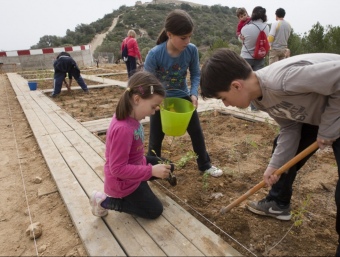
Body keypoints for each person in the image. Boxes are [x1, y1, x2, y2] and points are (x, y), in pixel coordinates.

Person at [199, 48, 340, 256]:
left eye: (223, 98)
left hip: (335, 108)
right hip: (319, 114)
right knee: (281, 149)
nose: (226, 104)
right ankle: (278, 203)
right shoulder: (259, 98)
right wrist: (275, 166)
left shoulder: (284, 80)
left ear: (236, 86)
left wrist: (328, 127)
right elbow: (291, 127)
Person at [143, 9, 223, 177]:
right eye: (183, 37)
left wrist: (193, 93)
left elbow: (195, 74)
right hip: (160, 102)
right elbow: (147, 81)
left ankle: (205, 165)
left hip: (183, 97)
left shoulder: (191, 50)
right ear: (170, 34)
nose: (187, 41)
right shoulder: (155, 54)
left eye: (190, 36)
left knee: (196, 132)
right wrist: (152, 101)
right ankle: (151, 171)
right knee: (156, 138)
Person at [90, 71, 176, 219]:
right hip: (123, 183)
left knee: (168, 166)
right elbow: (117, 169)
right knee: (155, 211)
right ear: (137, 99)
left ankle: (143, 182)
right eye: (154, 106)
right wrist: (150, 171)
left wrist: (150, 169)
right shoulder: (123, 129)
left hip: (136, 165)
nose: (155, 112)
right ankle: (104, 201)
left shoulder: (131, 116)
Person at [240, 6, 269, 111]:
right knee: (257, 83)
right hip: (260, 57)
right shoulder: (267, 27)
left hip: (246, 57)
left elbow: (242, 40)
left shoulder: (245, 27)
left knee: (243, 82)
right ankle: (255, 108)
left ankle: (241, 104)